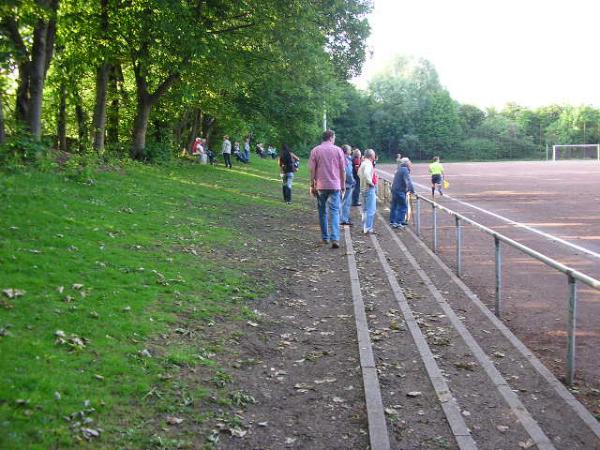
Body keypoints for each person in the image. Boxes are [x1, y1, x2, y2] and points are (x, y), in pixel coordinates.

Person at [309, 129, 346, 249]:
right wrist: (343, 185)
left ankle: (325, 238)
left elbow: (312, 170)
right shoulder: (338, 150)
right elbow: (342, 169)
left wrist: (312, 185)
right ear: (331, 137)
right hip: (335, 185)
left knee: (322, 211)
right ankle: (335, 238)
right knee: (335, 211)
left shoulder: (316, 150)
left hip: (321, 185)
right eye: (334, 137)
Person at [390, 157, 415, 228]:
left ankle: (393, 221)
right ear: (407, 163)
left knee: (395, 206)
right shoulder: (405, 170)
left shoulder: (400, 169)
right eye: (409, 162)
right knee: (403, 206)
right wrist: (412, 190)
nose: (410, 163)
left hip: (395, 189)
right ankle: (399, 222)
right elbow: (408, 181)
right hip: (399, 191)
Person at [358, 149, 378, 234]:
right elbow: (366, 173)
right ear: (371, 156)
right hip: (369, 188)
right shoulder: (368, 163)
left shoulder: (363, 163)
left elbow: (359, 173)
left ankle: (365, 227)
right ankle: (369, 228)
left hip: (363, 188)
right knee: (371, 209)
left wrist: (363, 181)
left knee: (365, 209)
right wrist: (370, 183)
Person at [340, 145, 355, 226]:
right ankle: (344, 219)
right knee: (346, 202)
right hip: (347, 184)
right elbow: (348, 173)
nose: (351, 150)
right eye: (350, 149)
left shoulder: (341, 158)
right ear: (346, 151)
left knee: (342, 201)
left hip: (343, 183)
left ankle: (343, 218)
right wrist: (353, 181)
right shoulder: (346, 160)